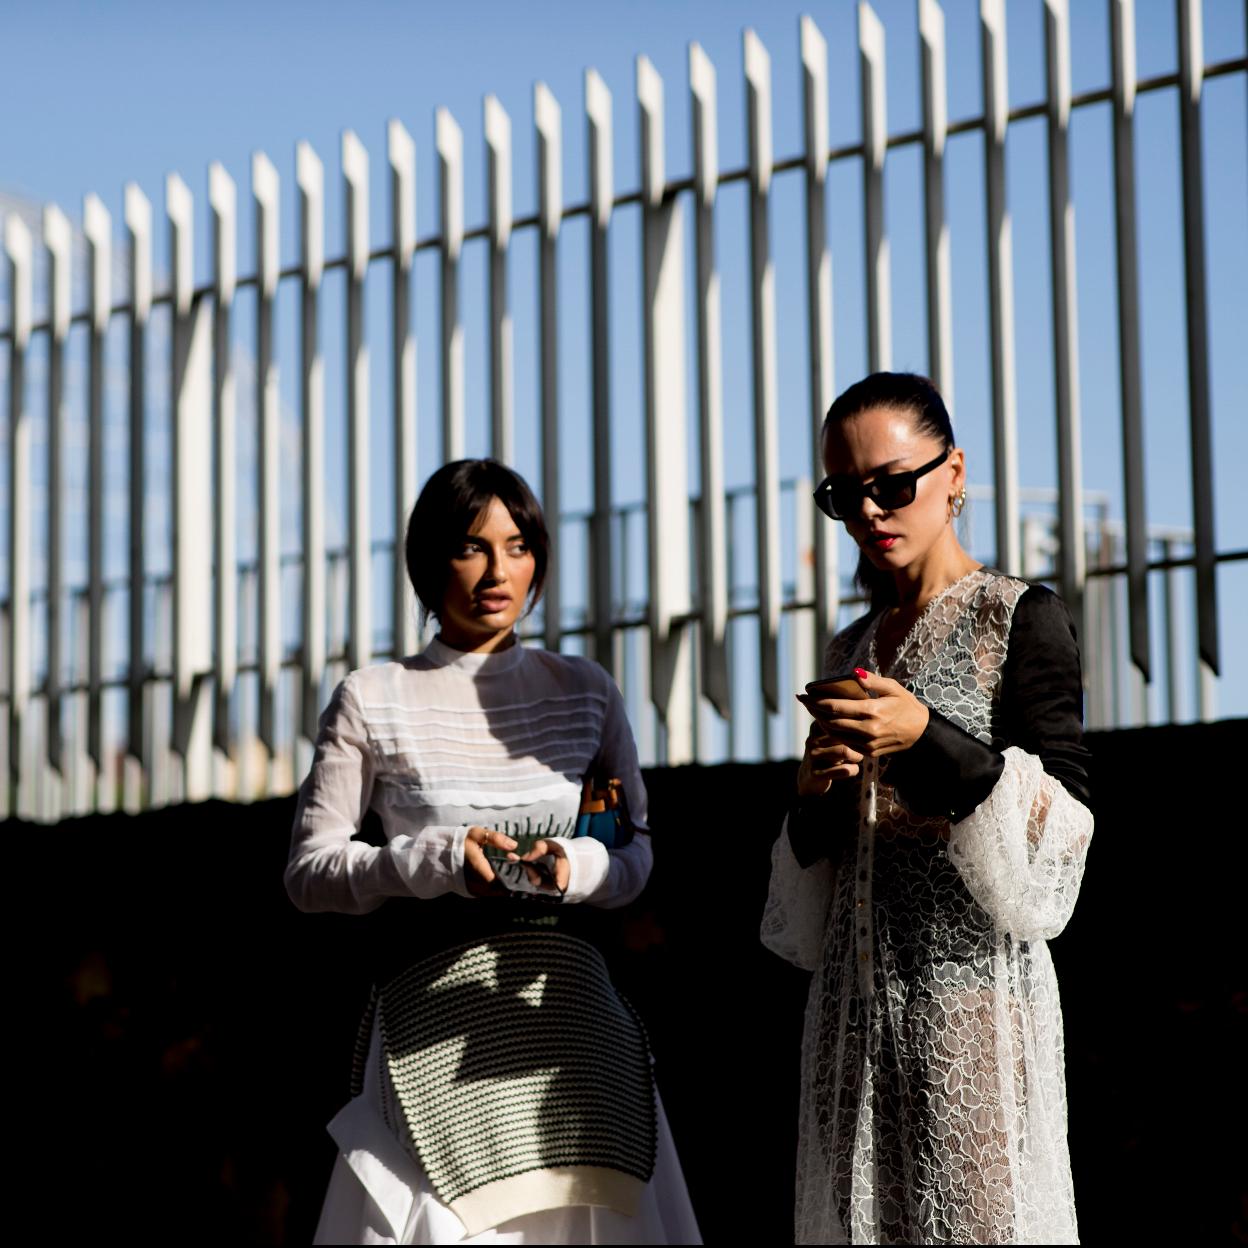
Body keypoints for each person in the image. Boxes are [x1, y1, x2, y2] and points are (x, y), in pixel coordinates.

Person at [287, 458, 701, 1245]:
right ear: (427, 561)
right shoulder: (373, 696)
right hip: (426, 1023)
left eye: (517, 546)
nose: (497, 570)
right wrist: (434, 860)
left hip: (572, 1024)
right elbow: (309, 874)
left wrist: (573, 868)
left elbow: (635, 853)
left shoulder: (585, 689)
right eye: (470, 547)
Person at [761, 373, 1093, 1244]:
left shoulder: (1017, 618)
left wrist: (925, 735)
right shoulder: (851, 644)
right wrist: (815, 796)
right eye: (845, 496)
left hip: (971, 1009)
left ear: (954, 474)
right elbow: (827, 868)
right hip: (852, 1016)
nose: (871, 512)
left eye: (892, 485)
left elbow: (1067, 828)